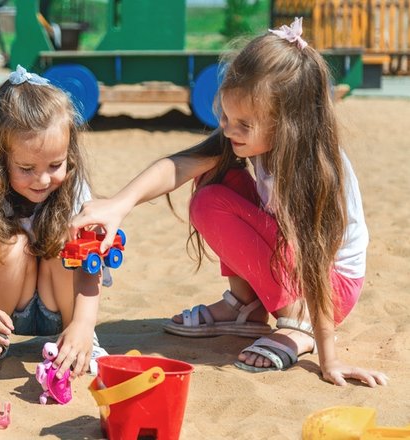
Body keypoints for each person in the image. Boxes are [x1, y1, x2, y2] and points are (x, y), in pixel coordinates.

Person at [69, 18, 388, 387]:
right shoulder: (250, 137)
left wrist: (326, 354)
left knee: (213, 201)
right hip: (292, 261)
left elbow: (316, 260)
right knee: (211, 177)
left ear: (287, 124)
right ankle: (246, 307)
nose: (228, 129)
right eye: (224, 115)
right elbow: (180, 164)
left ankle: (296, 325)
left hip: (329, 288)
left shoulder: (314, 172)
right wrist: (118, 204)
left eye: (243, 124)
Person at [0, 65, 108, 380]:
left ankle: (78, 340)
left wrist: (83, 325)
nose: (43, 179)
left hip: (62, 309)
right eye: (26, 167)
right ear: (0, 157)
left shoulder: (74, 192)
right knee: (13, 243)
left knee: (66, 240)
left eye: (55, 164)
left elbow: (91, 269)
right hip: (4, 312)